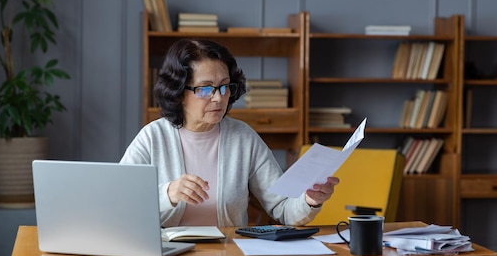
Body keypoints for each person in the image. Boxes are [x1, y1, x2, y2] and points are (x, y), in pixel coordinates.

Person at [120, 38, 339, 227]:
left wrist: (310, 201)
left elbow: (283, 208)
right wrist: (167, 194)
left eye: (224, 86)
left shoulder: (243, 137)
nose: (218, 97)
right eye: (205, 89)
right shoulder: (152, 137)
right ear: (178, 93)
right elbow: (119, 203)